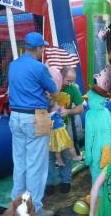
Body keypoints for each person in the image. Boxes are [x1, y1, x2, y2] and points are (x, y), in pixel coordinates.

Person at [8, 32, 57, 216]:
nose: (43, 50)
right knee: (36, 166)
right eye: (42, 47)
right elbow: (55, 90)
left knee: (19, 163)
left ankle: (16, 208)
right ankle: (33, 210)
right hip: (35, 117)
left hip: (16, 117)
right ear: (36, 48)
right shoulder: (39, 67)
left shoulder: (13, 65)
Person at [46, 66, 84, 195]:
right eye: (68, 80)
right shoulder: (49, 85)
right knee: (49, 155)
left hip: (64, 127)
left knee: (66, 154)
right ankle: (49, 183)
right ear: (60, 76)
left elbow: (81, 108)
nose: (70, 83)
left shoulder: (72, 89)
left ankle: (66, 181)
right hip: (47, 126)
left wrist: (68, 111)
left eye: (72, 81)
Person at [85, 85, 111, 184]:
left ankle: (97, 195)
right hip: (107, 147)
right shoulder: (106, 111)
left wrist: (88, 154)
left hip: (95, 149)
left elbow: (89, 137)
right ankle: (105, 193)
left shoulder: (89, 114)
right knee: (105, 170)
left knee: (96, 171)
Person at [49, 97, 83, 167]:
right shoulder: (56, 110)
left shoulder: (50, 113)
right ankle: (75, 157)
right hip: (61, 131)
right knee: (70, 144)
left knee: (57, 149)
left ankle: (59, 161)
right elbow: (62, 115)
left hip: (54, 132)